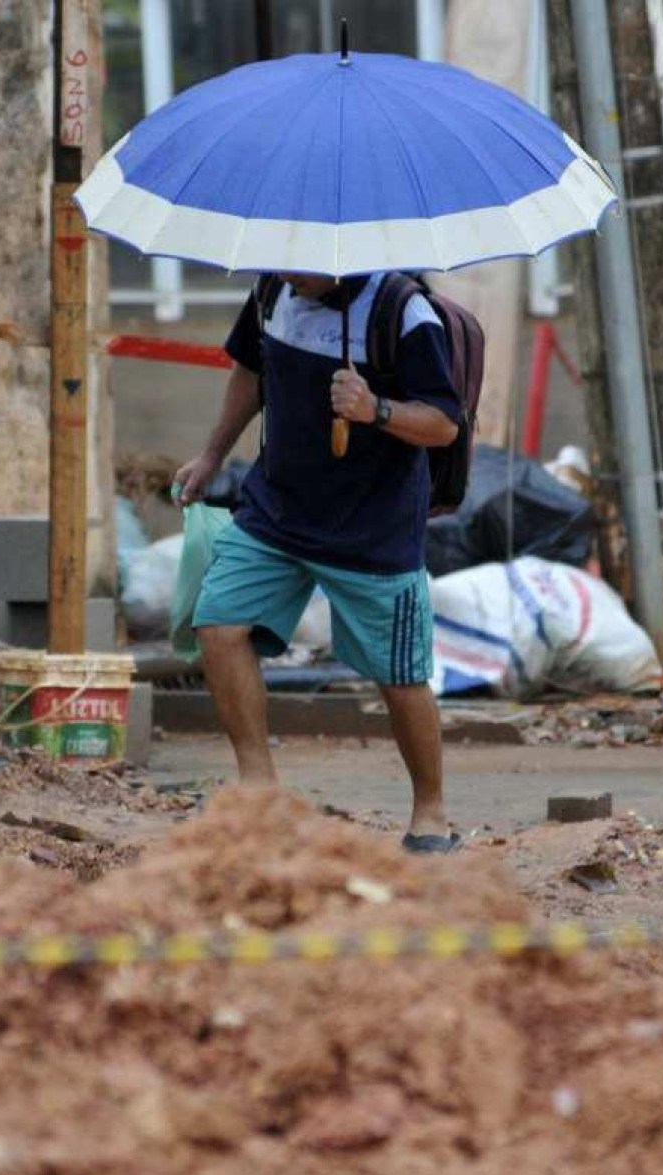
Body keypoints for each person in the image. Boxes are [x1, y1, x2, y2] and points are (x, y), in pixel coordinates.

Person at [172, 272, 463, 852]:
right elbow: (249, 374)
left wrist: (374, 409)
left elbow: (443, 423)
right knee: (219, 623)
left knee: (400, 675)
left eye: (294, 259)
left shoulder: (404, 313)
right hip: (277, 509)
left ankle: (430, 812)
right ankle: (259, 791)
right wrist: (211, 455)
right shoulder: (272, 291)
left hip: (372, 528)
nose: (283, 267)